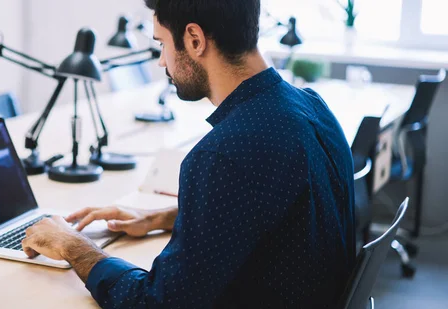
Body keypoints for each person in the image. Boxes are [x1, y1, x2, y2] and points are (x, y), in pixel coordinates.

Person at [21, 0, 356, 307]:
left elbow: (157, 303)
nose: (161, 60)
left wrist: (72, 245)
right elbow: (288, 212)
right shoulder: (314, 108)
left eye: (162, 44)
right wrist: (164, 217)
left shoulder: (223, 153)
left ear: (195, 40)